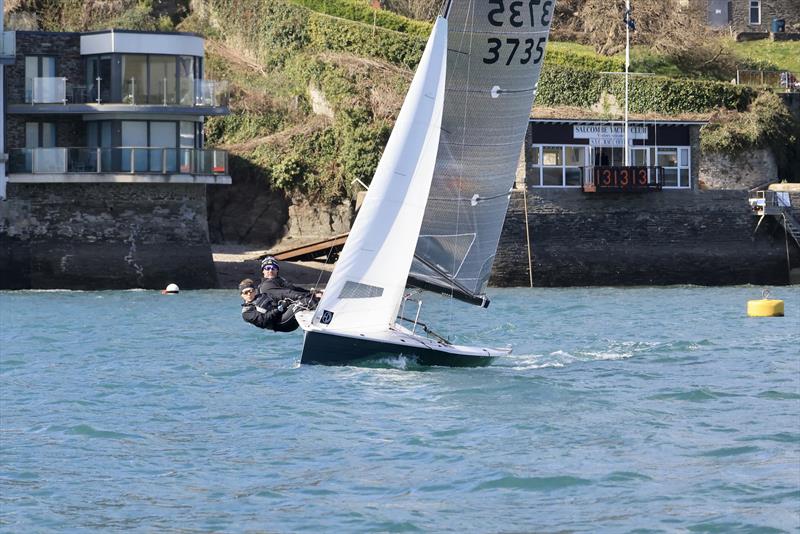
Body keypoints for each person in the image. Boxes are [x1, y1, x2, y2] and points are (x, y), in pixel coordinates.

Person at [239, 278, 304, 333]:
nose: (249, 294)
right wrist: (280, 309)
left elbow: (277, 297)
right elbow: (264, 320)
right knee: (301, 304)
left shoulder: (262, 295)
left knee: (303, 299)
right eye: (245, 292)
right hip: (280, 324)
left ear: (254, 291)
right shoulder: (246, 313)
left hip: (285, 313)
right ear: (241, 295)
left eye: (251, 291)